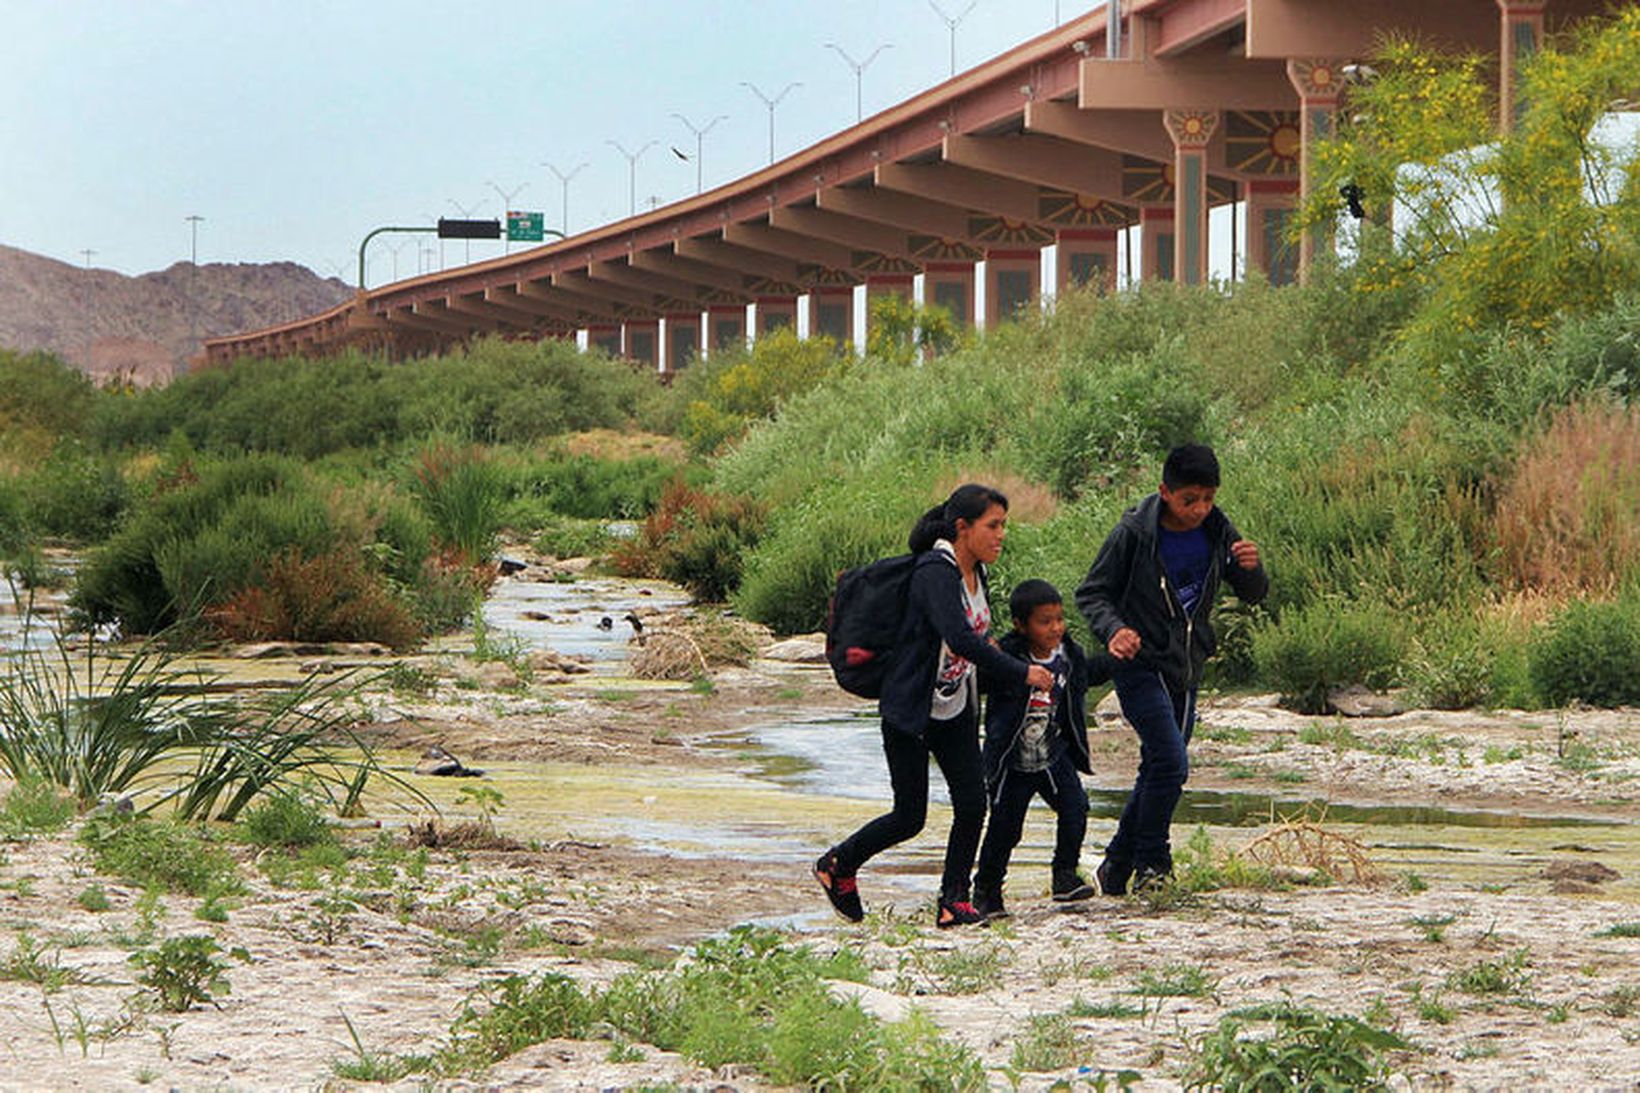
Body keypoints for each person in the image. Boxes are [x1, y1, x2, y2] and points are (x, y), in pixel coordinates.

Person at [815, 484, 1054, 929]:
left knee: (972, 803)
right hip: (912, 708)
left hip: (954, 707)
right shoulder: (934, 571)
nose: (1001, 535)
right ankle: (838, 864)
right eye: (993, 526)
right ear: (963, 528)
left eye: (1004, 526)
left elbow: (974, 641)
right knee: (909, 816)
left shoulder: (976, 573)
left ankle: (953, 901)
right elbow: (959, 637)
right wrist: (1020, 673)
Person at [1074, 444, 1268, 895]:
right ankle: (1154, 863)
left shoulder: (1219, 531)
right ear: (1165, 492)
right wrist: (1115, 630)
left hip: (1187, 663)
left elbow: (1253, 593)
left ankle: (1117, 863)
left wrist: (1251, 570)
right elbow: (1092, 593)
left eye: (1208, 498)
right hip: (1139, 663)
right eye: (1189, 500)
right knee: (1169, 760)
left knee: (1161, 765)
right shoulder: (1133, 534)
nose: (1200, 509)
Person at [971, 579, 1096, 920]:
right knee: (1005, 828)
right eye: (1045, 621)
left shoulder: (1070, 655)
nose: (1055, 628)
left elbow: (1085, 682)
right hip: (1011, 761)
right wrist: (986, 657)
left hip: (1053, 755)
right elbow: (978, 682)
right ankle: (986, 891)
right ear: (1020, 625)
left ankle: (1065, 875)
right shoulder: (1006, 658)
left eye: (1059, 619)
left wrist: (1120, 658)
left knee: (1075, 808)